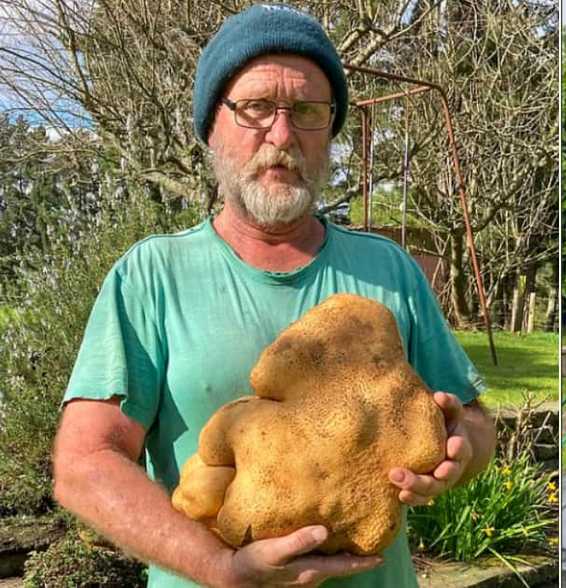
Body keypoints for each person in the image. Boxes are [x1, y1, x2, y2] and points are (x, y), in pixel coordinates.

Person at [51, 4, 497, 587]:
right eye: (256, 107)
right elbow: (84, 465)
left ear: (330, 133)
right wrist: (220, 567)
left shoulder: (388, 270)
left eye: (309, 111)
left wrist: (460, 451)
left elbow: (477, 423)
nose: (282, 135)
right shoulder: (152, 276)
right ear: (212, 126)